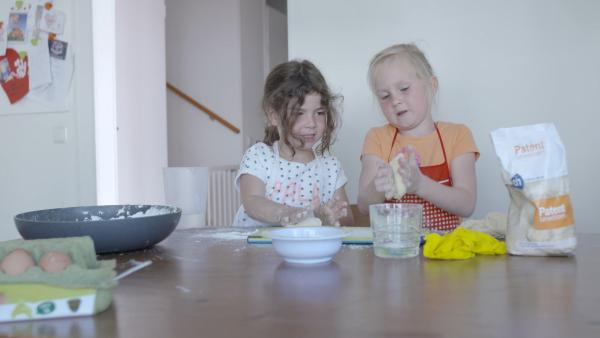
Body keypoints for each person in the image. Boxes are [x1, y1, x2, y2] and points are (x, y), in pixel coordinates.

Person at [357, 43, 479, 232]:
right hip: (396, 249)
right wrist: (378, 186)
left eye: (404, 88)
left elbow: (466, 204)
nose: (395, 100)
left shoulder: (457, 136)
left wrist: (420, 184)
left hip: (445, 253)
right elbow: (364, 206)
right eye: (385, 96)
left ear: (432, 85)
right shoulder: (378, 138)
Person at [232, 60, 354, 227]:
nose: (311, 123)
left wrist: (329, 218)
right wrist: (291, 215)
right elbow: (252, 202)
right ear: (274, 115)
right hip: (255, 251)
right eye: (299, 113)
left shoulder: (330, 167)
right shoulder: (259, 156)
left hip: (305, 253)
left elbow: (347, 218)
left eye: (319, 113)